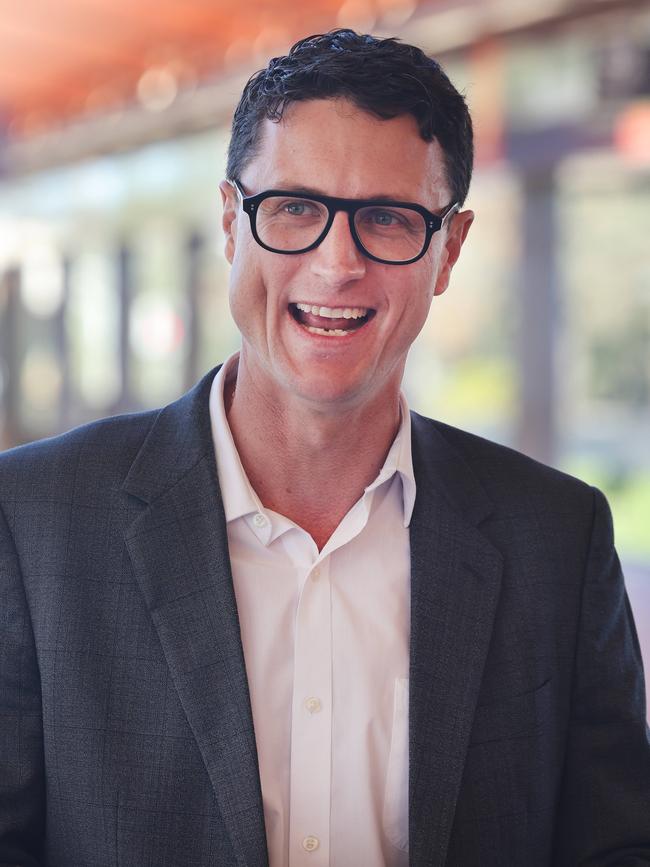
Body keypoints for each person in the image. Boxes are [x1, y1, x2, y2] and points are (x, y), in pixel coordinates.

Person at [1, 28, 649, 867]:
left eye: (386, 217)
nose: (336, 263)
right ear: (233, 221)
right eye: (296, 208)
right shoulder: (34, 522)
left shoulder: (557, 538)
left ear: (448, 250)